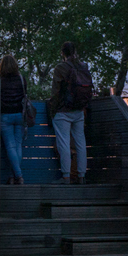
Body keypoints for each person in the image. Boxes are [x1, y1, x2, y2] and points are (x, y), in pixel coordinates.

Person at [49, 41, 91, 184]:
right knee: (80, 143)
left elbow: (55, 92)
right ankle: (81, 176)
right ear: (75, 52)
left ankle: (66, 176)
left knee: (64, 143)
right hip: (79, 110)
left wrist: (53, 110)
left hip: (63, 111)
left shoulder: (60, 68)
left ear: (62, 53)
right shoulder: (83, 66)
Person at [0, 54, 27, 185]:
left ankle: (19, 176)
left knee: (10, 146)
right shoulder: (21, 79)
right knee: (17, 146)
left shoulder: (0, 81)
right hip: (20, 115)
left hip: (5, 116)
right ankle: (12, 176)